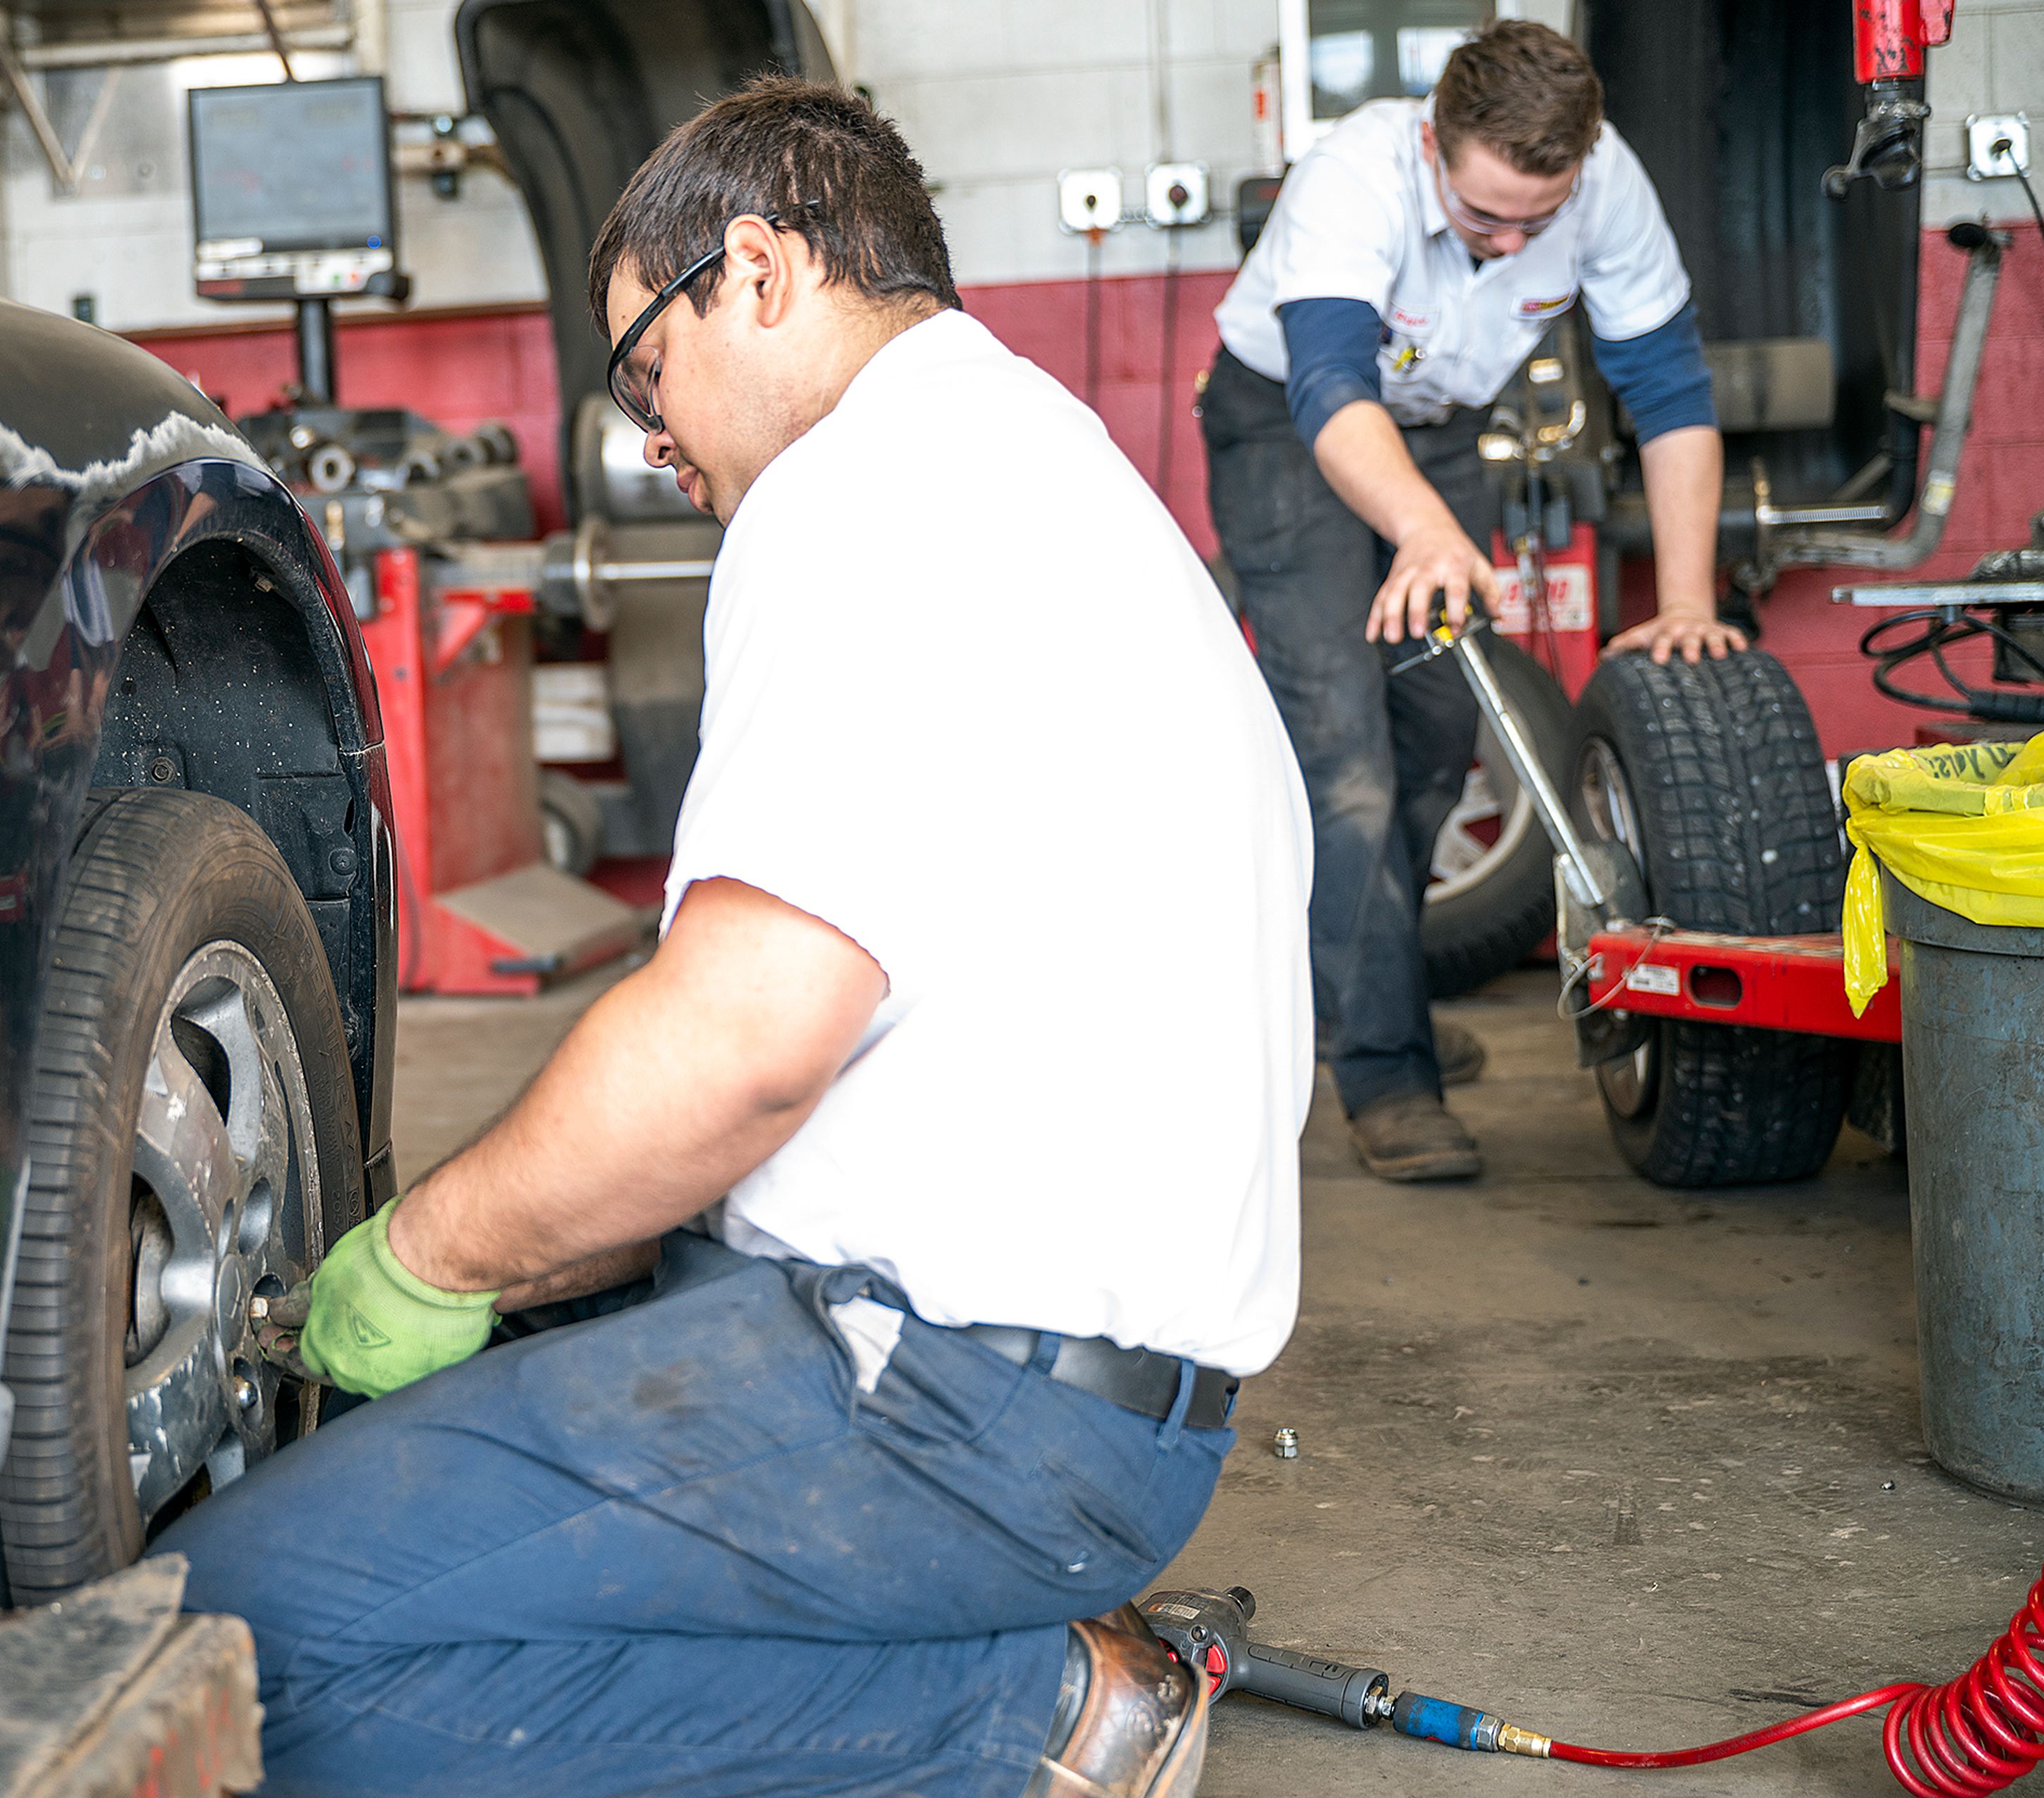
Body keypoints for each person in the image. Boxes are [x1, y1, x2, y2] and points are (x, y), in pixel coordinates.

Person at [153, 77, 1312, 1798]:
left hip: (948, 1417)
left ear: (755, 270)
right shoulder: (1037, 461)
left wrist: (427, 1257)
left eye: (644, 371)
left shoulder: (859, 495)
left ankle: (1024, 1714)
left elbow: (741, 1042)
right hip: (1099, 1408)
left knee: (224, 1651)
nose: (647, 441)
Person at [1205, 20, 1737, 1184]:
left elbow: (1671, 387)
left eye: (1533, 226)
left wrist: (1689, 594)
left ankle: (1353, 998)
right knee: (1343, 752)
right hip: (1286, 435)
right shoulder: (1358, 172)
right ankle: (1389, 1076)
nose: (1508, 244)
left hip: (1441, 438)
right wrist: (1428, 533)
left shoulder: (1606, 190)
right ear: (1434, 145)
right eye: (1483, 215)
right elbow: (1329, 382)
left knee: (1441, 735)